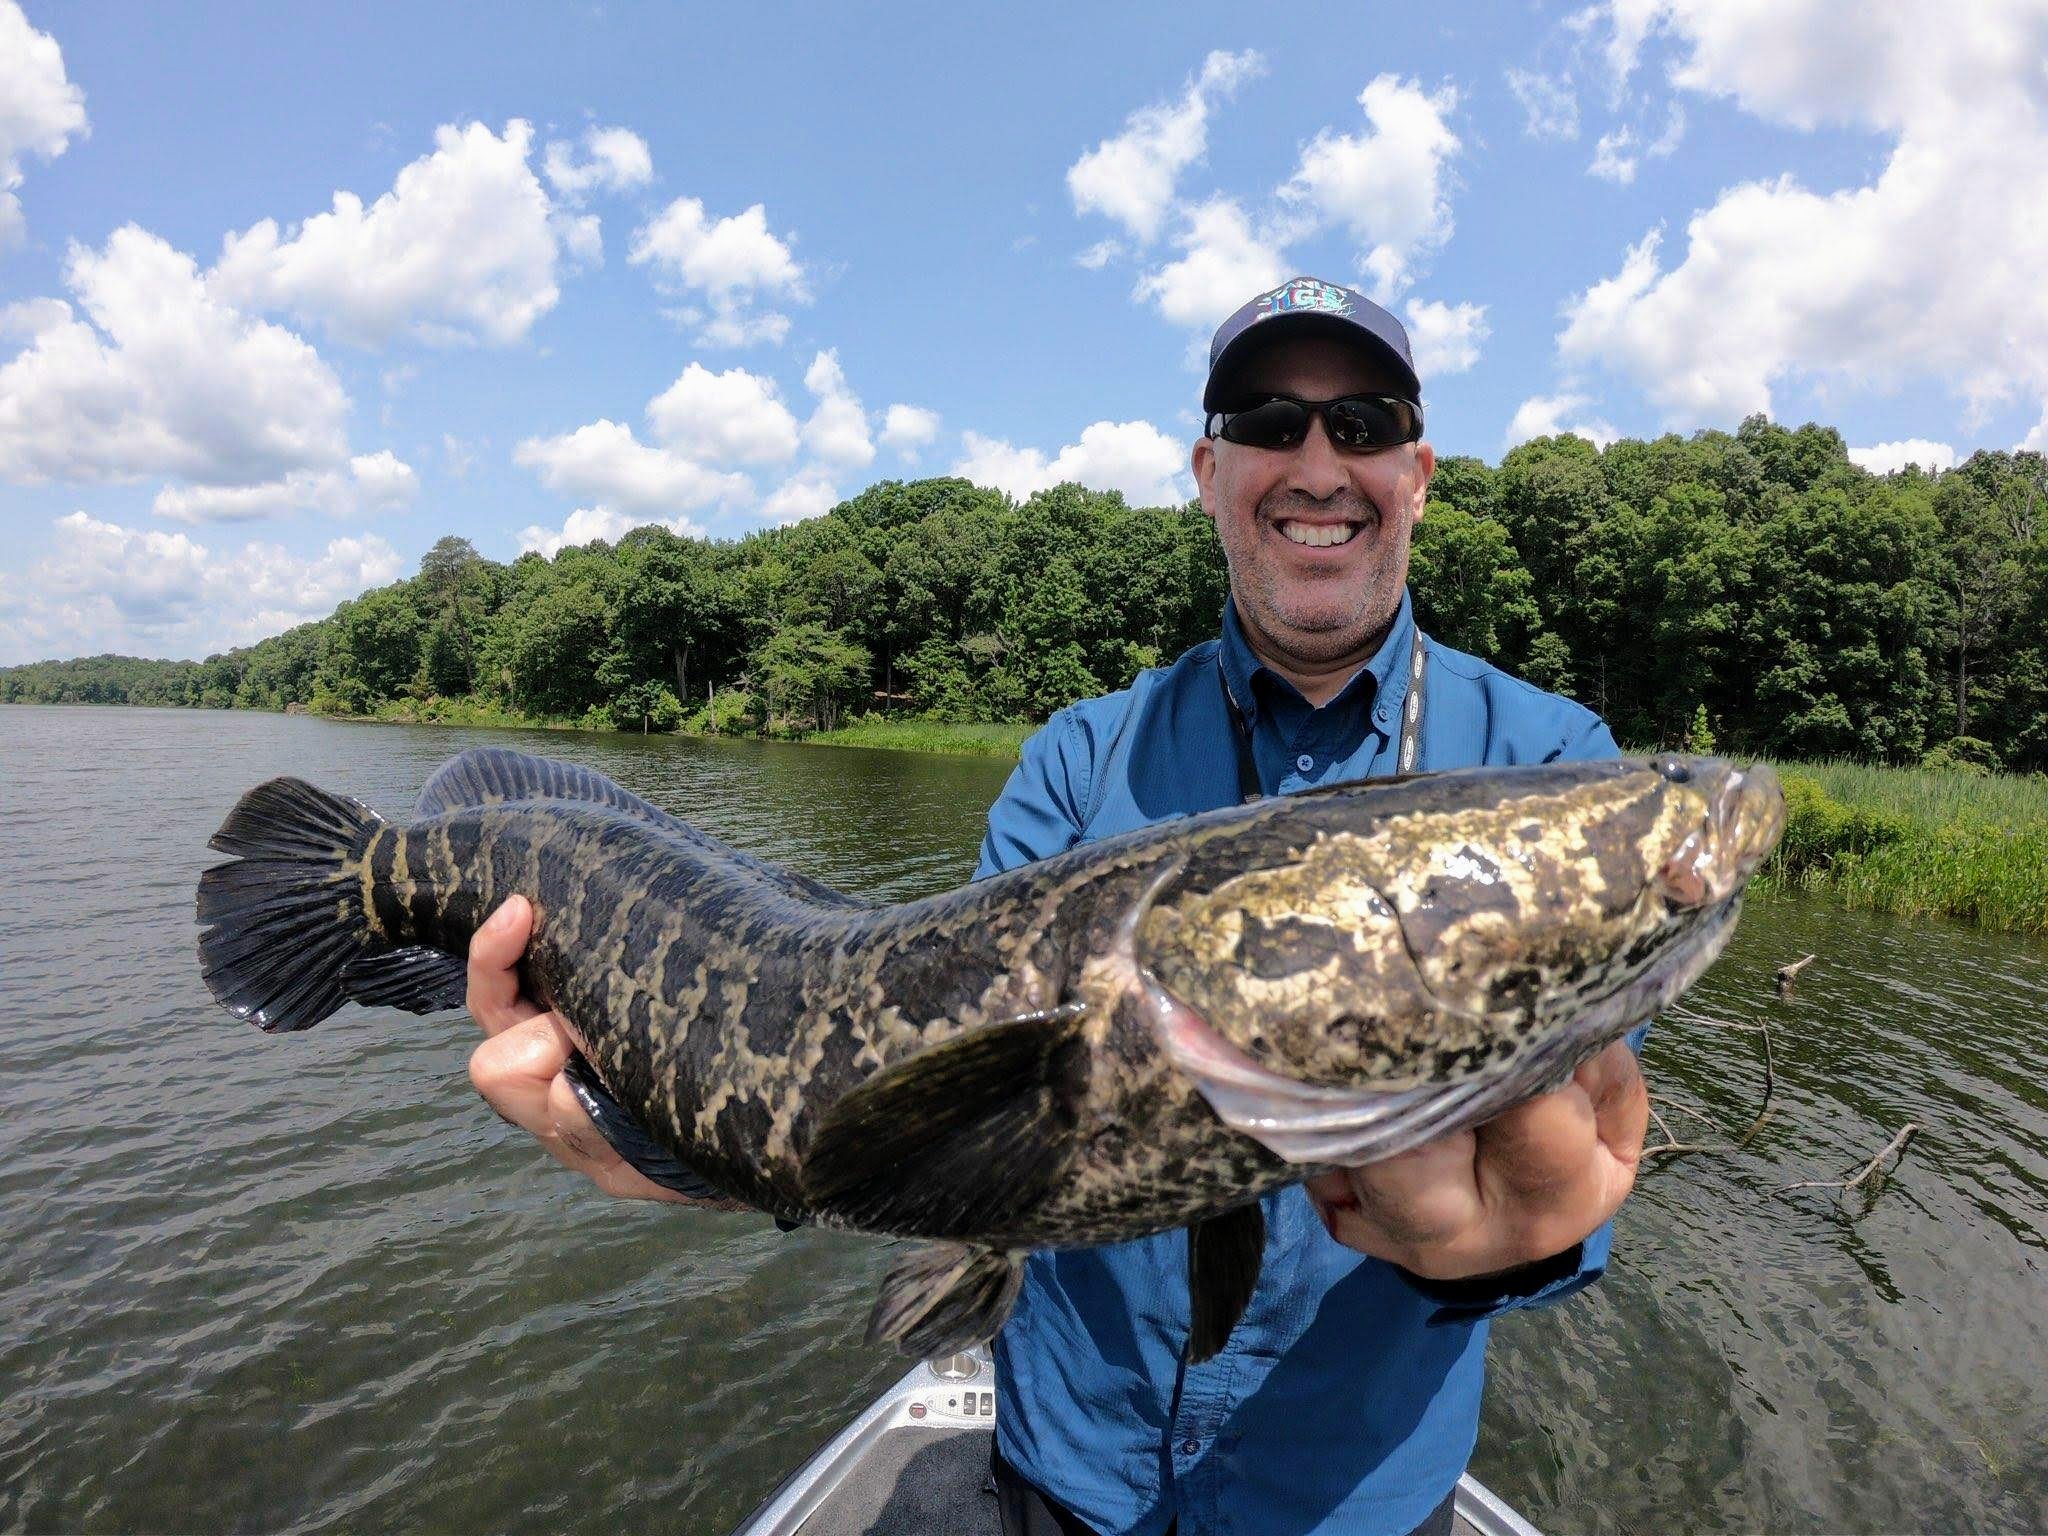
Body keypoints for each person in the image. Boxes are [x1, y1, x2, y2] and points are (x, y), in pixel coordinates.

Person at [465, 275, 1649, 1536]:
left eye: (1362, 424)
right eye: (1268, 422)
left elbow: (1578, 1145)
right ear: (1209, 472)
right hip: (1070, 1466)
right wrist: (693, 1139)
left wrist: (1529, 1235)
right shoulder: (1081, 759)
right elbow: (951, 1101)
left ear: (1416, 473)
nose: (1317, 465)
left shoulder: (1554, 771)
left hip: (1353, 1498)